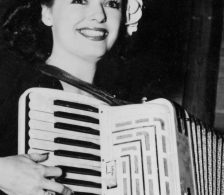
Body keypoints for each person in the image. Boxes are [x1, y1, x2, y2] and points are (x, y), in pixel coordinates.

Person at [0, 0, 142, 194]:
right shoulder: (10, 76)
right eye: (80, 1)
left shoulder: (126, 116)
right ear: (47, 13)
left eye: (112, 3)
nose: (99, 15)